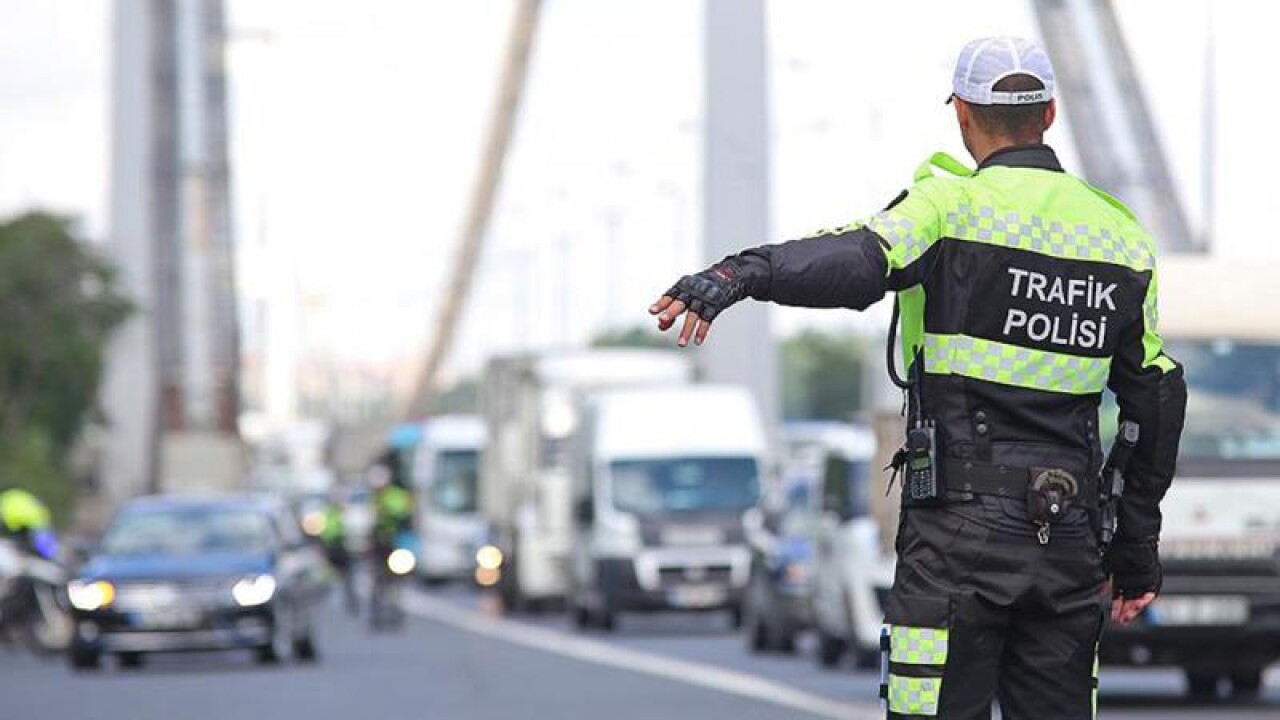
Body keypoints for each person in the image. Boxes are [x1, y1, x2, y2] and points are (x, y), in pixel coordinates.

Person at [649, 37, 1186, 720]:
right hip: (1069, 541)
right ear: (1049, 114)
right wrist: (1134, 552)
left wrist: (739, 274)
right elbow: (1158, 402)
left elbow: (854, 259)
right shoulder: (1122, 238)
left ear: (962, 113)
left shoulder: (948, 207)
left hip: (957, 540)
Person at [321, 490, 358, 616]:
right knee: (333, 576)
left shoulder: (347, 514)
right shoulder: (328, 514)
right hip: (334, 548)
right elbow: (325, 533)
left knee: (348, 576)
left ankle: (350, 600)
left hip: (345, 548)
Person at [0, 488, 58, 560]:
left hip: (21, 520)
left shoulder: (5, 498)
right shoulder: (17, 495)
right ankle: (48, 556)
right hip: (35, 518)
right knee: (42, 543)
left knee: (24, 539)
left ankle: (25, 551)